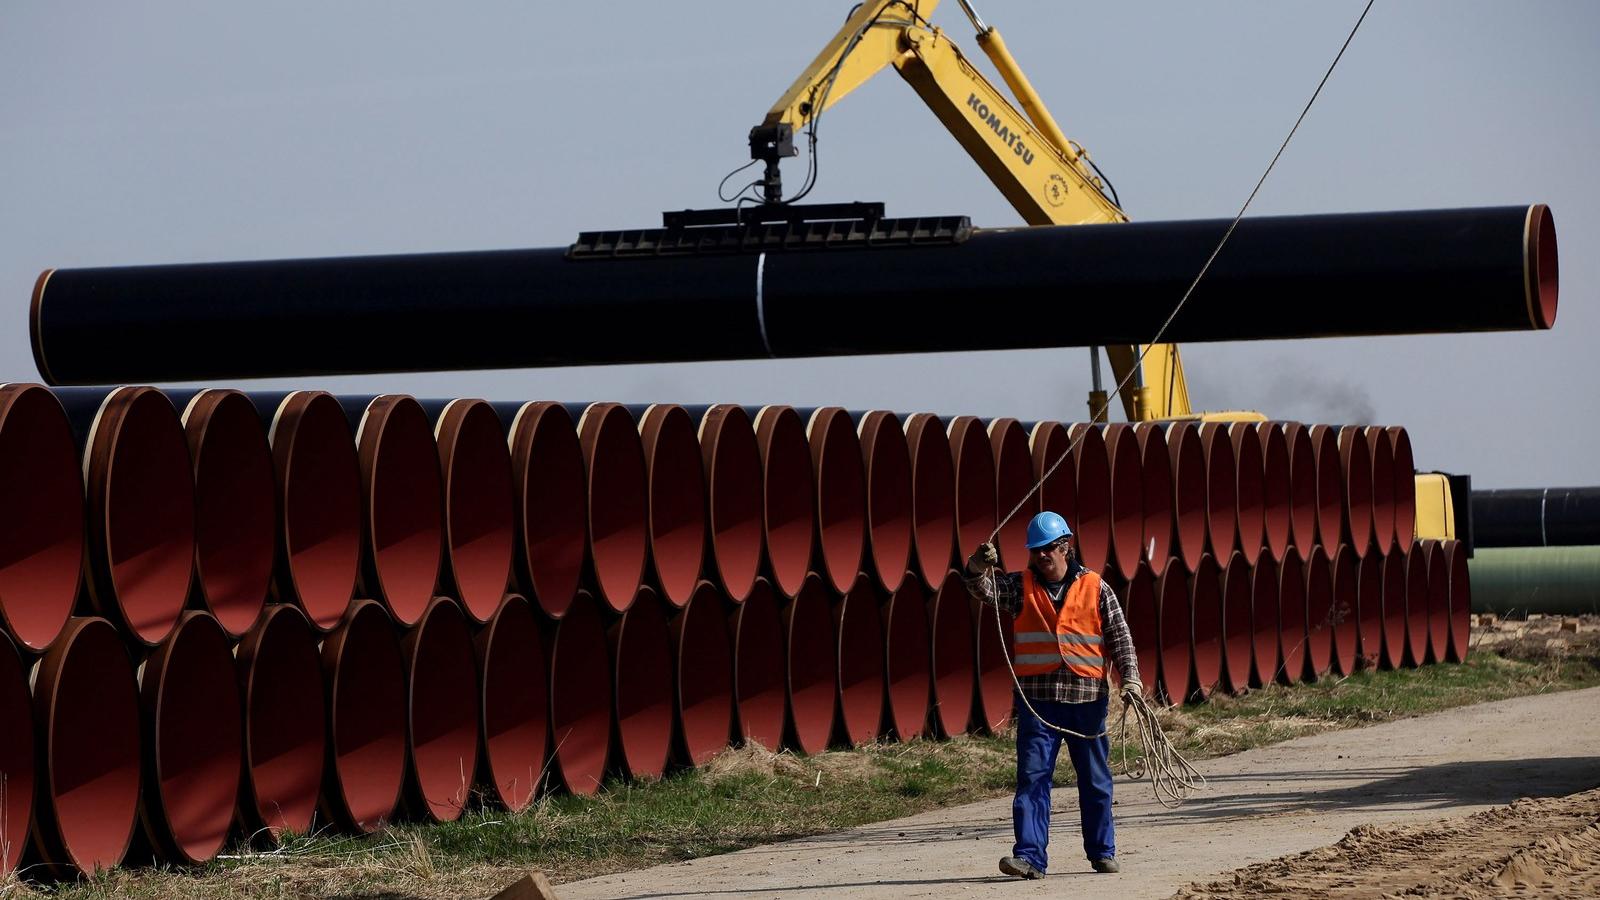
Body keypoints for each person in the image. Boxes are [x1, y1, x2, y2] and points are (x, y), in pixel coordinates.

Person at [965, 510, 1143, 880]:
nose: (1041, 556)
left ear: (1066, 547)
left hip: (1087, 702)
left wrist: (1132, 680)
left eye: (1048, 549)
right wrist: (976, 564)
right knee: (1033, 779)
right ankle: (1029, 858)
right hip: (1038, 704)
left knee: (1095, 781)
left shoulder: (1096, 587)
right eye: (1036, 551)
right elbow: (982, 589)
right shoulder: (1019, 586)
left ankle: (1102, 851)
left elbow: (1120, 637)